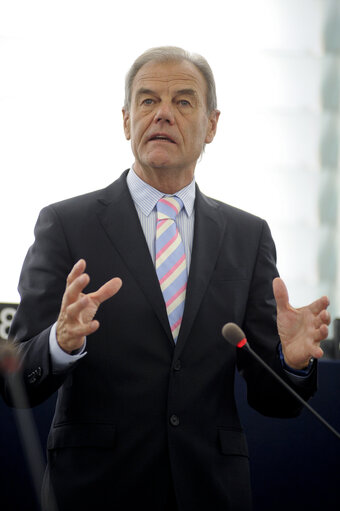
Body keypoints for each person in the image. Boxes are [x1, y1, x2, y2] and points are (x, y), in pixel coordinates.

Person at [5, 47, 330, 511]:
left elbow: (272, 399)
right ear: (125, 121)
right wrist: (59, 342)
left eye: (183, 101)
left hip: (210, 490)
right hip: (95, 490)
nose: (162, 114)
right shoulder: (65, 224)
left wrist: (292, 362)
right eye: (147, 101)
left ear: (212, 125)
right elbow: (16, 375)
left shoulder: (247, 235)